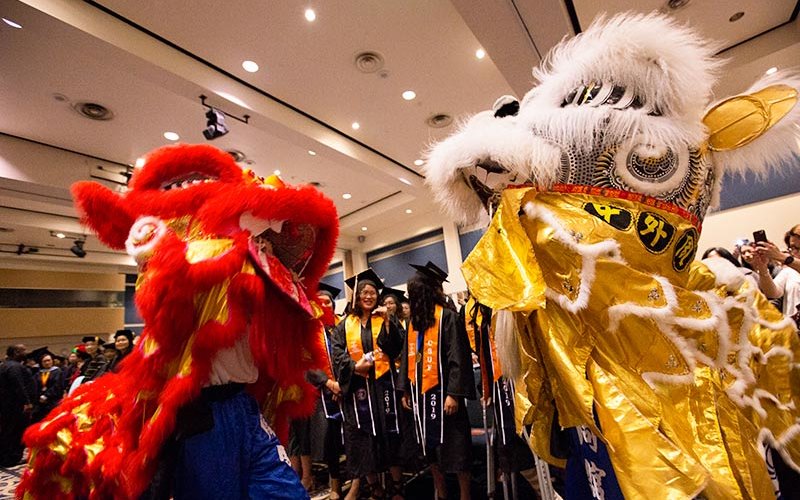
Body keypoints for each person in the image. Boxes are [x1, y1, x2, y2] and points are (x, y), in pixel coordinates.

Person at [399, 261, 475, 500]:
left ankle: (465, 495)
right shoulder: (414, 325)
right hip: (421, 398)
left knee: (456, 450)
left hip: (444, 397)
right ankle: (440, 492)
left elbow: (458, 358)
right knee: (429, 450)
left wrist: (454, 393)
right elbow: (406, 359)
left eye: (414, 293)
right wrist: (405, 391)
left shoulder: (448, 318)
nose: (411, 298)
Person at [331, 268, 404, 500]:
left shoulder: (384, 318)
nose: (369, 296)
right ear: (356, 296)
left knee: (389, 436)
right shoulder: (345, 324)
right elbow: (337, 354)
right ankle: (374, 486)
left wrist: (389, 321)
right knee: (363, 439)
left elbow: (395, 348)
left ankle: (396, 485)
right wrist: (354, 368)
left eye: (373, 292)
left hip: (384, 387)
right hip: (358, 390)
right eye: (364, 292)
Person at [301, 283, 345, 499]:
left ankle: (351, 482)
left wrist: (342, 384)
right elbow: (306, 362)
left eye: (328, 302)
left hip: (345, 392)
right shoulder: (310, 330)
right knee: (329, 443)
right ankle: (334, 486)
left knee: (349, 441)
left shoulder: (341, 327)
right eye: (320, 302)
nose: (324, 305)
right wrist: (329, 383)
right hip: (322, 395)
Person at [0, 344, 36, 467]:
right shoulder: (14, 367)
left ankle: (4, 457)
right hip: (16, 406)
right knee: (16, 432)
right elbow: (19, 386)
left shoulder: (5, 365)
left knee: (6, 431)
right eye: (23, 350)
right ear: (16, 352)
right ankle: (12, 458)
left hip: (7, 406)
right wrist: (27, 402)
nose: (26, 352)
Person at [31, 351, 64, 423]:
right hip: (40, 402)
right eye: (44, 361)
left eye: (49, 360)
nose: (47, 363)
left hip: (53, 401)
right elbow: (35, 386)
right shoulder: (38, 374)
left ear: (52, 361)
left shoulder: (57, 372)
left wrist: (46, 395)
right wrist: (40, 396)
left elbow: (57, 386)